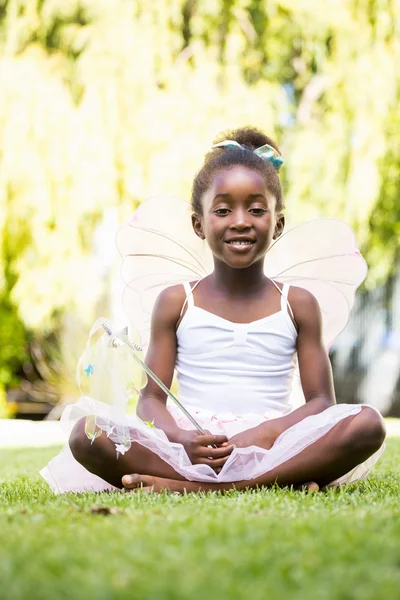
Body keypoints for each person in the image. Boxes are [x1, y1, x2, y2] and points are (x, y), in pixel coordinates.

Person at [41, 127, 386, 494]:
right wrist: (181, 436)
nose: (240, 221)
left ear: (278, 224)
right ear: (198, 224)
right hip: (192, 444)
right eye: (223, 210)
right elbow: (151, 401)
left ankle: (202, 488)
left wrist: (265, 434)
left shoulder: (298, 303)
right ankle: (267, 482)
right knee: (86, 434)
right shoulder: (176, 301)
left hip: (274, 443)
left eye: (256, 209)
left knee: (367, 424)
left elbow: (321, 401)